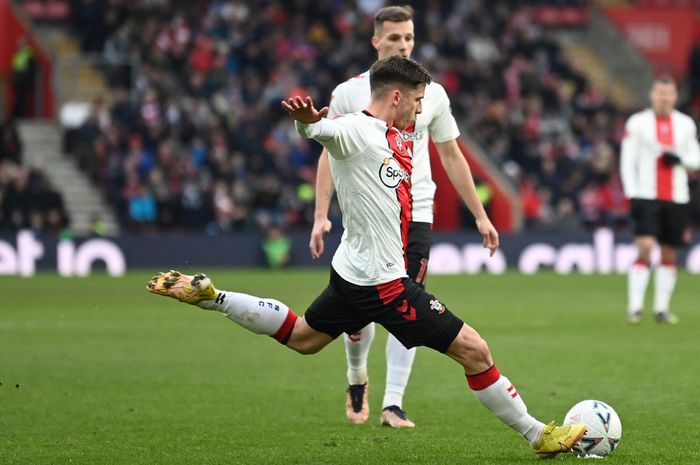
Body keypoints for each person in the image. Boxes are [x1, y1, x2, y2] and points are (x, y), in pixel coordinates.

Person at [147, 56, 585, 459]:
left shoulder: (390, 134)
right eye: (415, 101)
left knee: (304, 337)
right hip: (384, 284)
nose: (418, 112)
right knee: (475, 351)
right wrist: (306, 125)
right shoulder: (356, 130)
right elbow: (325, 132)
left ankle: (213, 297)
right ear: (396, 96)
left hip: (350, 273)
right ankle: (537, 435)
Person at [309, 5, 497, 428]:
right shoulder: (349, 93)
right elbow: (328, 152)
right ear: (376, 41)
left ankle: (393, 403)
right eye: (394, 38)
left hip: (417, 212)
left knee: (408, 304)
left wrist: (480, 215)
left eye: (409, 38)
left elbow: (451, 155)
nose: (403, 44)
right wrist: (321, 213)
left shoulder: (432, 93)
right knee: (357, 313)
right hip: (369, 215)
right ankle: (357, 377)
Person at [621, 75, 700, 325]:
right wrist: (631, 192)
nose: (664, 98)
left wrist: (681, 161)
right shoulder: (637, 122)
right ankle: (635, 308)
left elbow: (696, 157)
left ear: (675, 96)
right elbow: (627, 159)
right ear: (652, 95)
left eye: (668, 93)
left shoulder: (686, 124)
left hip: (676, 196)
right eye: (660, 93)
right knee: (645, 246)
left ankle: (661, 309)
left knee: (669, 251)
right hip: (646, 194)